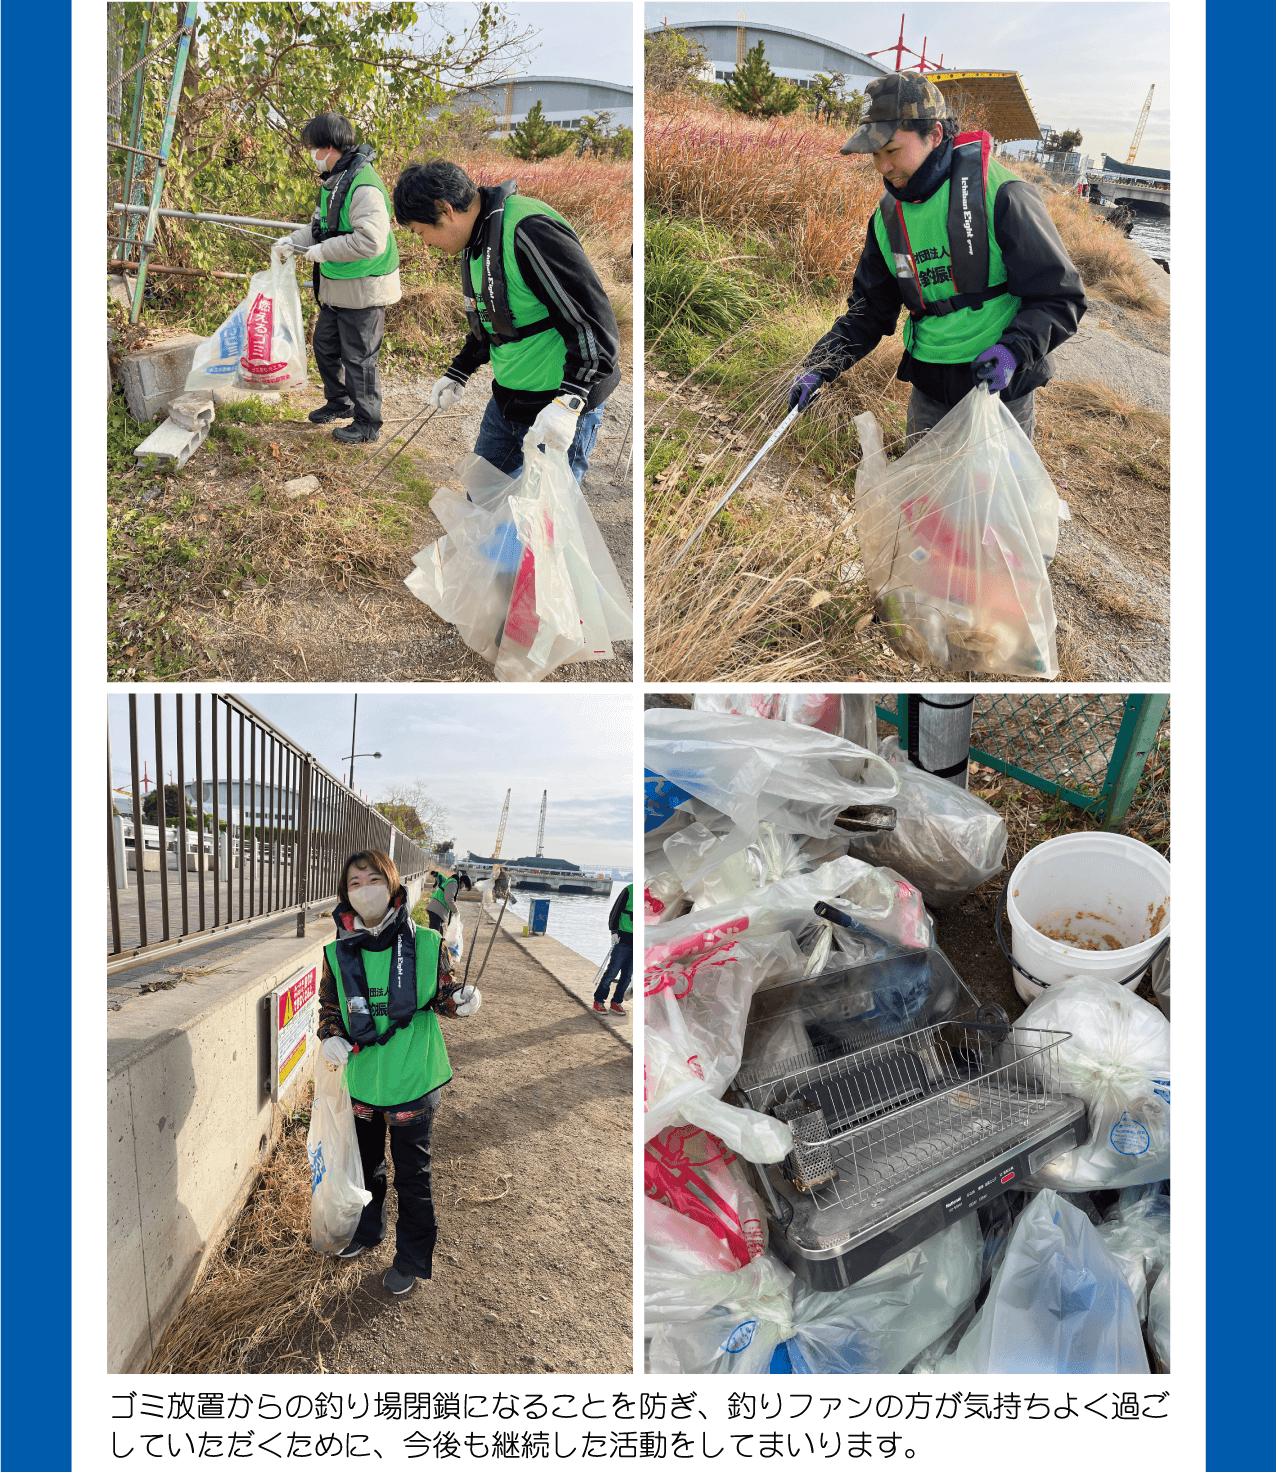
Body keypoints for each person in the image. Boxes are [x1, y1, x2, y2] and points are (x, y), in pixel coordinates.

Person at [787, 73, 1086, 447]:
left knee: (991, 505)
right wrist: (819, 366)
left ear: (935, 135)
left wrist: (1013, 351)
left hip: (1000, 391)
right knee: (926, 505)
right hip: (930, 392)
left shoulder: (1004, 195)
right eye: (875, 154)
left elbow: (1060, 297)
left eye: (892, 150)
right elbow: (870, 310)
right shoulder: (887, 218)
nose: (883, 167)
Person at [391, 160, 620, 485]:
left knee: (546, 524)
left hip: (559, 404)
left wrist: (569, 401)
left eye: (420, 231)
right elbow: (492, 318)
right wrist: (459, 370)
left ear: (444, 210)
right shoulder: (475, 243)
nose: (423, 242)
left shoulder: (528, 230)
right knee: (482, 498)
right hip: (509, 402)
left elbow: (594, 321)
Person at [315, 849, 480, 1297]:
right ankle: (369, 1233)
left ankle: (410, 1259)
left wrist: (463, 1000)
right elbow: (328, 1009)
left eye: (372, 879)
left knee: (412, 1175)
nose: (364, 889)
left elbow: (444, 998)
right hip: (364, 1083)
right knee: (366, 1168)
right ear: (345, 896)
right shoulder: (335, 953)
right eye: (354, 883)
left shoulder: (428, 943)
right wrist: (329, 1034)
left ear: (391, 887)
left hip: (413, 1081)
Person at [274, 113, 401, 445]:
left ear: (328, 147)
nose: (311, 154)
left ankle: (368, 424)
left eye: (313, 148)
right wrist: (293, 242)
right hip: (338, 286)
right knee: (325, 345)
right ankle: (339, 403)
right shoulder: (334, 179)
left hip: (364, 287)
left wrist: (324, 251)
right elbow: (320, 229)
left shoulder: (364, 186)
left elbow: (371, 241)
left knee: (359, 358)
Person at [592, 883, 633, 1016]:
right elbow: (615, 911)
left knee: (627, 975)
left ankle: (616, 1002)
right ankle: (599, 1000)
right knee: (612, 972)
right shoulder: (629, 890)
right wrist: (613, 931)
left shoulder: (650, 894)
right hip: (622, 939)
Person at [424, 865, 460, 933]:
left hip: (436, 906)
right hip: (437, 908)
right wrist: (434, 886)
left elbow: (440, 882)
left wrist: (455, 911)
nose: (433, 876)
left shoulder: (441, 876)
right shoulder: (438, 877)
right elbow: (449, 899)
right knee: (435, 933)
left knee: (437, 932)